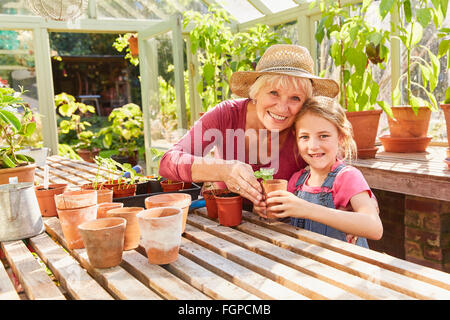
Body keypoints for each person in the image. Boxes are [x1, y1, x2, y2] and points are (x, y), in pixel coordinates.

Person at [158, 44, 339, 215]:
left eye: (295, 98)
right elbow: (168, 161)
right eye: (274, 93)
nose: (283, 108)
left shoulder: (306, 128)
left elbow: (336, 176)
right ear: (256, 91)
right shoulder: (227, 114)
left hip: (286, 230)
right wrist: (223, 169)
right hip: (227, 226)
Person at [265, 96, 383, 247]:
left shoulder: (347, 177)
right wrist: (266, 210)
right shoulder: (297, 180)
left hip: (343, 267)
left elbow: (374, 228)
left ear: (340, 137)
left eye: (323, 136)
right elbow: (284, 221)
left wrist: (306, 209)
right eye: (304, 137)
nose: (313, 146)